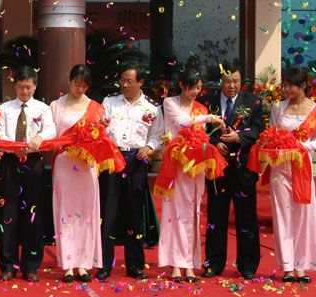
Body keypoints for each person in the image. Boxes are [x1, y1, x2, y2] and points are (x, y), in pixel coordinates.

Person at [248, 67, 316, 284]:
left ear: (302, 86)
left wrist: (300, 146)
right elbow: (272, 134)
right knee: (282, 214)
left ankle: (301, 266)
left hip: (301, 166)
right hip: (280, 167)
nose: (286, 90)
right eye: (284, 86)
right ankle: (287, 267)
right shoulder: (278, 108)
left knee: (303, 215)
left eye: (291, 86)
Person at [50, 65, 123, 283]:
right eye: (76, 84)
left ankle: (83, 263)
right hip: (65, 163)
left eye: (84, 85)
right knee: (65, 211)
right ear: (69, 81)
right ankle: (68, 264)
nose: (79, 89)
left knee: (86, 212)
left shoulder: (96, 108)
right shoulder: (56, 106)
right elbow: (51, 135)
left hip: (87, 165)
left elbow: (105, 138)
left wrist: (102, 131)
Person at [155, 67, 227, 283]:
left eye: (197, 88)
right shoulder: (170, 103)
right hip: (177, 164)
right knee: (175, 212)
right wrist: (210, 117)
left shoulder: (200, 108)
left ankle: (189, 263)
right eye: (191, 88)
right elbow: (183, 122)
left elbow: (201, 136)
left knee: (193, 212)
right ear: (181, 86)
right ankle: (176, 264)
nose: (195, 92)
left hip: (195, 166)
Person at [98, 63, 163, 281]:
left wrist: (150, 147)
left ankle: (135, 264)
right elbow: (100, 129)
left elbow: (157, 135)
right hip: (113, 157)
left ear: (140, 82)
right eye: (122, 80)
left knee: (135, 212)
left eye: (129, 81)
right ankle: (104, 264)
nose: (124, 85)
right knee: (109, 212)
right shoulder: (110, 102)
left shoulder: (152, 108)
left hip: (136, 160)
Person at [200, 63, 264, 280]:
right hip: (217, 168)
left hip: (243, 168)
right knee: (216, 216)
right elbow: (199, 130)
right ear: (221, 81)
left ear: (241, 81)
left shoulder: (253, 102)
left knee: (247, 217)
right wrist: (214, 143)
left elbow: (258, 129)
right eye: (228, 81)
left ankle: (248, 265)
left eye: (236, 81)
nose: (232, 85)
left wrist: (240, 137)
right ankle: (213, 263)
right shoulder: (207, 102)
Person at [0, 65, 56, 282]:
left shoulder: (43, 108)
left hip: (33, 161)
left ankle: (31, 265)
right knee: (8, 213)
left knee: (33, 213)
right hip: (10, 161)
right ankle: (7, 264)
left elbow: (51, 130)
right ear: (15, 87)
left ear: (35, 86)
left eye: (28, 87)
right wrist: (13, 146)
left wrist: (39, 139)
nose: (24, 91)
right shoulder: (5, 108)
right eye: (21, 87)